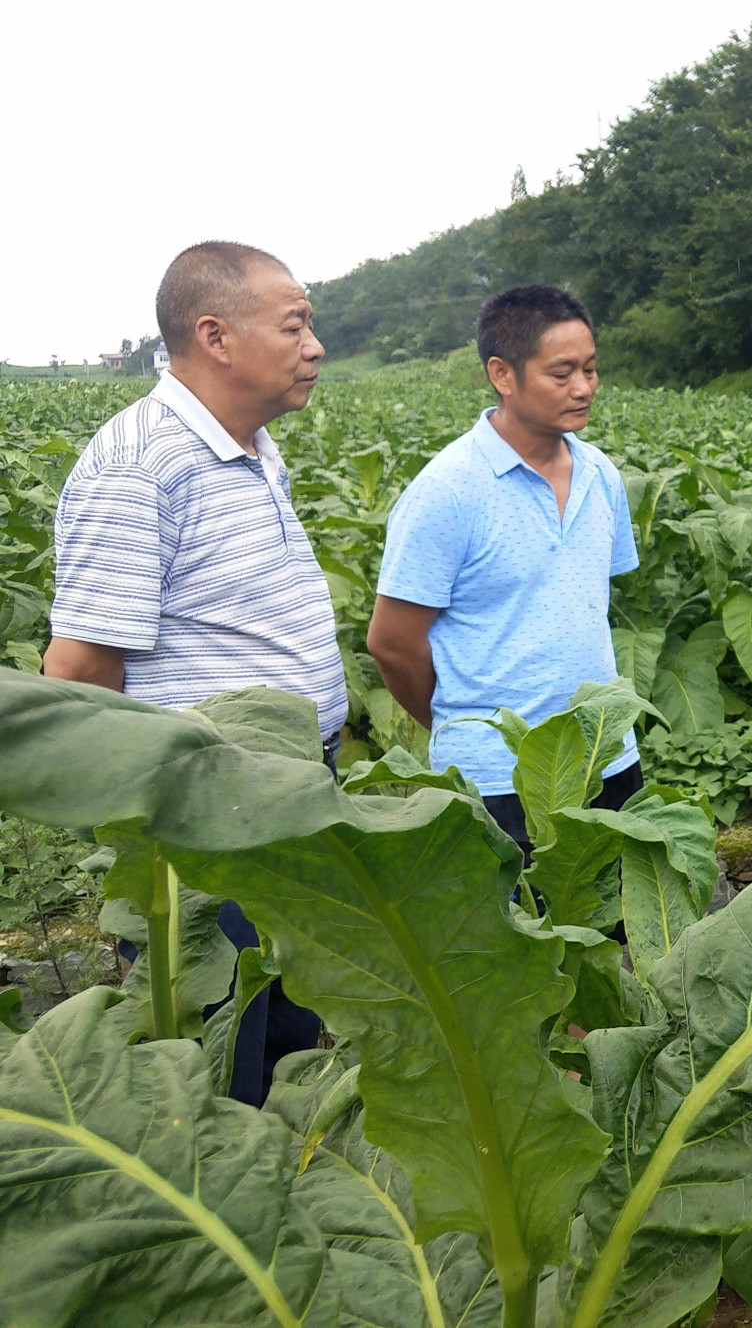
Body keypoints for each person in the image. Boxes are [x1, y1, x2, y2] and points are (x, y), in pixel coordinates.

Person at [45, 240, 341, 1104]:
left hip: (281, 795)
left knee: (285, 1022)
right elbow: (81, 668)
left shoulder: (247, 446)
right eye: (295, 326)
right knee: (216, 1055)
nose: (314, 346)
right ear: (215, 335)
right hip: (206, 820)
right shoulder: (139, 464)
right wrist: (150, 829)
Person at [368, 285, 642, 852]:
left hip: (604, 755)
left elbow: (584, 603)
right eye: (561, 373)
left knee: (617, 933)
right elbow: (392, 643)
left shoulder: (602, 476)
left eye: (591, 369)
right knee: (517, 936)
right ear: (502, 373)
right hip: (498, 778)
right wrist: (460, 724)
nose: (584, 388)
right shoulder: (446, 492)